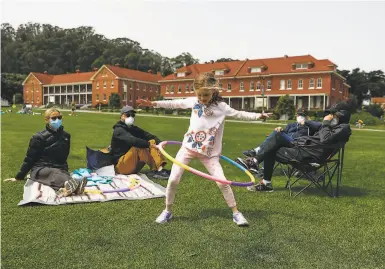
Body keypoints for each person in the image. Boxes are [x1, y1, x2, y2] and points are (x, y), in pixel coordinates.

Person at [137, 72, 269, 226]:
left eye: (205, 95)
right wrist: (153, 104)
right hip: (187, 148)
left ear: (214, 91)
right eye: (199, 95)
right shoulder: (194, 102)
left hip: (209, 153)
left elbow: (239, 114)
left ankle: (236, 213)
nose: (201, 98)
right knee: (173, 179)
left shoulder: (221, 107)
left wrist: (258, 116)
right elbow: (174, 103)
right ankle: (167, 210)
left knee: (222, 182)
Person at [236, 102, 352, 192]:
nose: (329, 116)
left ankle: (258, 168)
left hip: (307, 155)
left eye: (333, 114)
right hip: (303, 148)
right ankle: (258, 169)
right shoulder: (335, 128)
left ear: (342, 115)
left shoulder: (343, 128)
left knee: (273, 144)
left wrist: (326, 123)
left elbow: (325, 139)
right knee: (276, 137)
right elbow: (323, 135)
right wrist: (324, 124)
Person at [4, 108, 87, 197]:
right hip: (41, 168)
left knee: (60, 173)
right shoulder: (38, 137)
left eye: (59, 117)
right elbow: (29, 158)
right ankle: (71, 184)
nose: (57, 120)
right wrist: (19, 177)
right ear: (46, 120)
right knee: (54, 173)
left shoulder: (66, 136)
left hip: (59, 168)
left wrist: (64, 170)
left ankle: (72, 186)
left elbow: (64, 157)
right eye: (54, 118)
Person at [109, 105, 170, 180]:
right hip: (120, 166)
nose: (131, 117)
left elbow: (149, 136)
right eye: (128, 115)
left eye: (133, 115)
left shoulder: (133, 129)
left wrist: (160, 143)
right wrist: (149, 145)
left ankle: (158, 169)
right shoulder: (118, 130)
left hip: (131, 164)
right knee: (139, 147)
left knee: (152, 141)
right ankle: (157, 170)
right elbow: (133, 140)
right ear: (122, 116)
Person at [242, 108, 322, 159]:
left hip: (298, 145)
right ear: (296, 115)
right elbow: (284, 133)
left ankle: (256, 151)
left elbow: (319, 125)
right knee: (275, 135)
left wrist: (306, 122)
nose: (300, 116)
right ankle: (261, 168)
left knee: (273, 141)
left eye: (302, 115)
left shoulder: (309, 126)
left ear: (306, 116)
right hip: (286, 143)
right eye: (299, 115)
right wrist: (281, 129)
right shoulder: (291, 125)